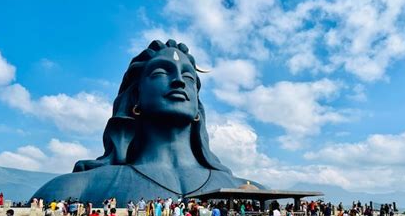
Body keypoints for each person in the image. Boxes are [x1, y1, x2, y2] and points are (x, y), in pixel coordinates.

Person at [33, 39, 263, 204]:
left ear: (197, 109)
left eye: (188, 77)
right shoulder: (73, 187)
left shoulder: (250, 190)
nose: (178, 82)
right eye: (161, 73)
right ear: (135, 97)